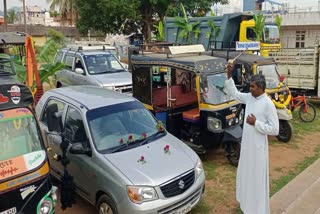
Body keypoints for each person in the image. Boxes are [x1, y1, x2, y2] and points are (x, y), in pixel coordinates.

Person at [224, 60, 279, 214]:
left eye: (253, 86)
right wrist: (229, 74)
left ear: (260, 88)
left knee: (256, 179)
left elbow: (275, 129)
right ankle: (247, 206)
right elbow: (234, 93)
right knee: (246, 175)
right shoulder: (249, 98)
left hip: (258, 149)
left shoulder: (268, 104)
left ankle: (258, 209)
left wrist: (256, 123)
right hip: (247, 147)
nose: (250, 88)